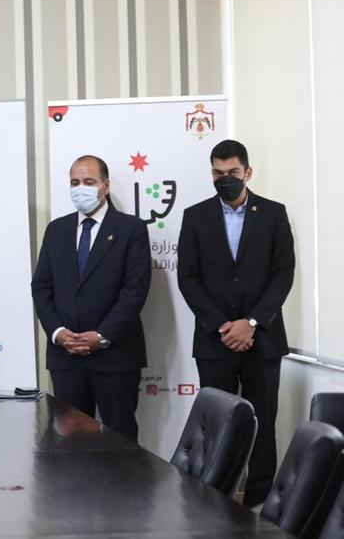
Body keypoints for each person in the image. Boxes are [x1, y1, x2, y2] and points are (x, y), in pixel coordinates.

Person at [177, 139, 294, 507]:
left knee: (263, 425)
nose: (224, 179)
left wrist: (252, 322)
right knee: (217, 427)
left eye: (232, 172)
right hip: (215, 341)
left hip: (263, 339)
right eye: (217, 173)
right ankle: (213, 503)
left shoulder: (274, 214)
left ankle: (259, 506)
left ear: (248, 172)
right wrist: (223, 326)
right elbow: (188, 278)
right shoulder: (195, 216)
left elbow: (283, 274)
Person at [31, 155, 151, 443]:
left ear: (105, 186)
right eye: (75, 182)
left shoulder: (131, 229)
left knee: (120, 443)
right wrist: (58, 333)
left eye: (88, 181)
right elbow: (41, 287)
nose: (80, 188)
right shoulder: (56, 230)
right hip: (66, 357)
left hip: (115, 356)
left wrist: (102, 335)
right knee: (68, 446)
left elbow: (134, 291)